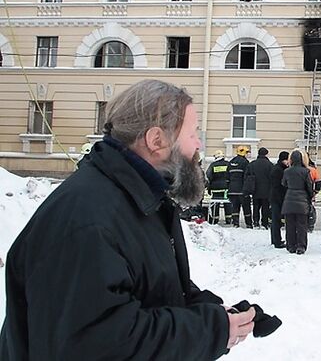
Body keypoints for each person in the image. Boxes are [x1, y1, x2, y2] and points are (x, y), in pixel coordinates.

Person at [0, 80, 257, 359]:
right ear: (156, 140)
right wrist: (209, 330)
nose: (198, 144)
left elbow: (150, 289)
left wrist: (215, 314)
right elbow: (96, 344)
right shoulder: (87, 219)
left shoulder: (140, 199)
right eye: (193, 133)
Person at [281, 149, 314, 254]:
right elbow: (309, 186)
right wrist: (310, 196)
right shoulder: (305, 171)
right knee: (302, 225)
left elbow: (284, 183)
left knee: (290, 224)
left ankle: (291, 246)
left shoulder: (287, 171)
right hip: (302, 200)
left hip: (289, 199)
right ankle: (301, 246)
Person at [246, 147, 273, 229]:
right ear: (266, 154)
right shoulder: (270, 165)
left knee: (256, 206)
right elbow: (273, 178)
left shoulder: (252, 164)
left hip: (255, 189)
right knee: (265, 207)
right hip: (266, 190)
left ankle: (256, 222)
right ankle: (264, 222)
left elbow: (247, 176)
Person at [228, 145, 253, 228]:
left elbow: (227, 177)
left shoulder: (231, 162)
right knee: (246, 208)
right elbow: (247, 177)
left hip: (232, 190)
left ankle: (235, 223)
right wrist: (248, 190)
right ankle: (249, 224)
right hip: (242, 190)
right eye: (246, 153)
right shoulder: (245, 162)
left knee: (235, 207)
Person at [269, 151, 290, 248]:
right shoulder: (279, 170)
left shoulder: (277, 168)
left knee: (276, 220)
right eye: (287, 160)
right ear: (283, 160)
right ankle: (277, 241)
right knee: (277, 220)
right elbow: (279, 186)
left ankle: (275, 239)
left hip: (275, 197)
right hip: (278, 198)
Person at [206, 149, 232, 225]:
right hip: (226, 188)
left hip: (215, 188)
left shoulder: (213, 165)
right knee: (227, 204)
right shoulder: (228, 164)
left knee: (215, 204)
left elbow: (209, 175)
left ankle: (215, 219)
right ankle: (228, 219)